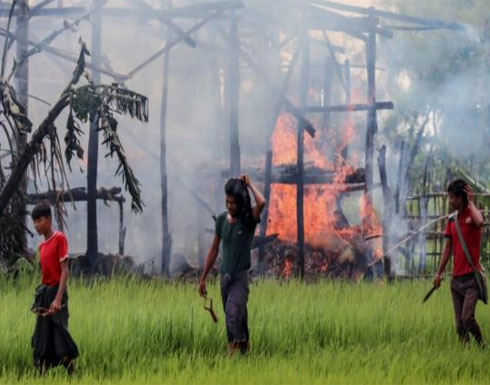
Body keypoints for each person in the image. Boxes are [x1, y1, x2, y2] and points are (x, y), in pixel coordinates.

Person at [199, 174, 266, 355]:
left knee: (231, 315)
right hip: (225, 279)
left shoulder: (248, 220)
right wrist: (203, 278)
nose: (229, 205)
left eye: (233, 202)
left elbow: (261, 203)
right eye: (227, 201)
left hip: (240, 279)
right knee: (239, 317)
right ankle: (245, 352)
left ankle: (232, 356)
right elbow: (214, 249)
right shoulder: (221, 220)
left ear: (241, 202)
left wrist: (250, 184)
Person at [433, 179, 485, 346]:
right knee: (459, 325)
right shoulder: (451, 221)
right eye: (449, 197)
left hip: (472, 280)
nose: (450, 201)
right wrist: (439, 273)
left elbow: (480, 222)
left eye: (452, 197)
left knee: (467, 318)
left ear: (461, 198)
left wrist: (471, 202)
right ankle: (466, 354)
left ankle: (482, 346)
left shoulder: (473, 216)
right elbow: (447, 250)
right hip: (456, 281)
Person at [30, 201, 79, 374]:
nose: (36, 225)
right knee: (42, 342)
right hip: (46, 293)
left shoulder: (60, 239)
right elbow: (45, 275)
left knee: (60, 342)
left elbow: (65, 271)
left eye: (39, 220)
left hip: (58, 293)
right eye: (34, 221)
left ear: (49, 219)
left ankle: (75, 376)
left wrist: (58, 299)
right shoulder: (41, 246)